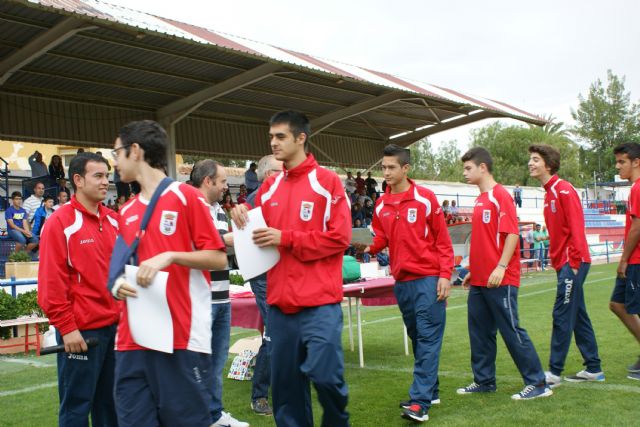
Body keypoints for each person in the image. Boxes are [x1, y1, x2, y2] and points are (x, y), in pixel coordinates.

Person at [230, 110, 351, 427]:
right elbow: (250, 228)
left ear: (301, 138)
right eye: (271, 136)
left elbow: (339, 238)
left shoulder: (326, 182)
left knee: (328, 380)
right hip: (281, 305)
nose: (273, 142)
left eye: (280, 136)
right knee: (286, 393)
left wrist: (287, 238)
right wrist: (241, 213)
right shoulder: (269, 189)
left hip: (320, 304)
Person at [109, 120, 228, 427]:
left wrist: (172, 256)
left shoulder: (186, 198)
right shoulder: (126, 211)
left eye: (117, 152)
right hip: (131, 341)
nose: (114, 160)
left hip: (180, 339)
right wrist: (119, 285)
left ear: (135, 151)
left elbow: (217, 258)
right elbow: (118, 271)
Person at [360, 144, 453, 423]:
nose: (385, 173)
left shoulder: (425, 199)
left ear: (405, 168)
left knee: (427, 338)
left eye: (390, 167)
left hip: (428, 279)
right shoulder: (381, 204)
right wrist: (365, 246)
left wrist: (445, 275)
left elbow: (443, 241)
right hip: (402, 282)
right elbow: (381, 239)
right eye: (383, 168)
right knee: (417, 337)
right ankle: (431, 391)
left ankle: (420, 402)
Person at [457, 147, 551, 400]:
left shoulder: (501, 196)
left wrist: (500, 267)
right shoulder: (479, 200)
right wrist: (473, 271)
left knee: (511, 330)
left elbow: (512, 234)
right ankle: (484, 381)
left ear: (483, 168)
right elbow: (483, 241)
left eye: (468, 168)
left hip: (501, 279)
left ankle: (538, 383)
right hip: (479, 279)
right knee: (479, 332)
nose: (464, 173)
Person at [37, 152, 120, 426]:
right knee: (76, 407)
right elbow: (51, 285)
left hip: (115, 329)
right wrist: (67, 327)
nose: (105, 182)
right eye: (98, 176)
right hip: (81, 332)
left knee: (110, 405)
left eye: (107, 175)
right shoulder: (59, 223)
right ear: (78, 180)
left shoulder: (114, 221)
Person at [528, 144, 604, 387]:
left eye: (535, 159)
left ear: (548, 164)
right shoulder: (549, 193)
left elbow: (576, 227)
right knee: (577, 315)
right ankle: (593, 368)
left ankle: (554, 372)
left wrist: (571, 263)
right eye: (531, 159)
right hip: (565, 264)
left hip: (574, 263)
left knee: (561, 314)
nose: (531, 163)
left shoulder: (564, 190)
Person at [191, 159, 248, 427]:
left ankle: (214, 414)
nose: (227, 186)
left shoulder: (220, 211)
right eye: (223, 181)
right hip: (201, 298)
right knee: (197, 365)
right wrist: (232, 238)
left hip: (223, 295)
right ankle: (197, 416)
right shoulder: (190, 206)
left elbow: (223, 247)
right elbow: (206, 244)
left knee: (216, 363)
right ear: (208, 181)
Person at [245, 154, 283, 416]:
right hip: (263, 275)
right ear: (269, 174)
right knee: (274, 333)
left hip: (278, 273)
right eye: (281, 170)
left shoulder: (277, 197)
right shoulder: (255, 201)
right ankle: (259, 395)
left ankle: (282, 386)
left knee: (283, 333)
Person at [611, 142, 640, 381]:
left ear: (636, 162)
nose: (618, 166)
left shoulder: (638, 188)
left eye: (622, 162)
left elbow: (638, 227)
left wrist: (624, 259)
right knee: (617, 304)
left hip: (637, 260)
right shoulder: (634, 189)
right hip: (634, 259)